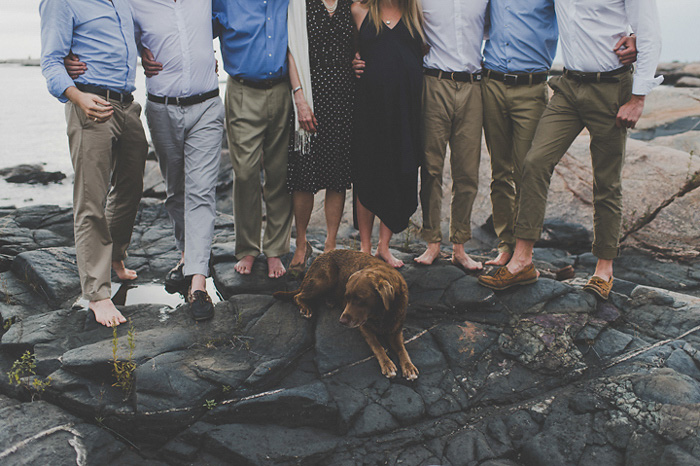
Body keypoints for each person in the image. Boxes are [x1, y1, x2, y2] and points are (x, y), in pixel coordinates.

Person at [479, 0, 662, 301]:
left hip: (612, 87)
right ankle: (522, 260)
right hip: (569, 85)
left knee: (606, 181)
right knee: (534, 162)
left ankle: (604, 269)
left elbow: (651, 33)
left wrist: (638, 98)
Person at [64, 1, 223, 321]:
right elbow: (108, 33)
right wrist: (68, 56)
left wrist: (207, 54)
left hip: (196, 104)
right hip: (152, 107)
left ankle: (196, 281)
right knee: (174, 190)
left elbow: (229, 20)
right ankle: (178, 259)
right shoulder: (131, 2)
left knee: (194, 191)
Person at [40, 0, 148, 328]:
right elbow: (51, 62)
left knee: (130, 187)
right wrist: (77, 96)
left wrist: (148, 55)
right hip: (90, 103)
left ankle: (114, 256)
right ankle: (98, 294)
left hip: (126, 104)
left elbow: (137, 36)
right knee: (91, 199)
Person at [213, 0, 294, 279]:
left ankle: (275, 249)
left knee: (279, 172)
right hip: (243, 92)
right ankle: (248, 247)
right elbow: (193, 30)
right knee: (245, 172)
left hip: (283, 90)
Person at [411, 0, 489, 272]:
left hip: (473, 86)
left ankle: (459, 246)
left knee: (467, 172)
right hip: (434, 83)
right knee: (431, 168)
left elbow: (493, 29)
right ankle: (432, 242)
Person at [350, 0, 425, 268]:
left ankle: (384, 246)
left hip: (406, 109)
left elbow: (424, 52)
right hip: (370, 107)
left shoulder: (416, 13)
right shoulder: (360, 10)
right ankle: (365, 247)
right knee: (367, 170)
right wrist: (351, 61)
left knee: (398, 170)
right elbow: (344, 46)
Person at [286, 0, 356, 275]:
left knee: (337, 174)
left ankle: (330, 244)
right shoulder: (300, 3)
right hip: (310, 96)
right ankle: (301, 243)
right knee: (304, 175)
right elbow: (291, 51)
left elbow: (362, 40)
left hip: (343, 95)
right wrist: (299, 96)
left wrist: (360, 59)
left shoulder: (351, 3)